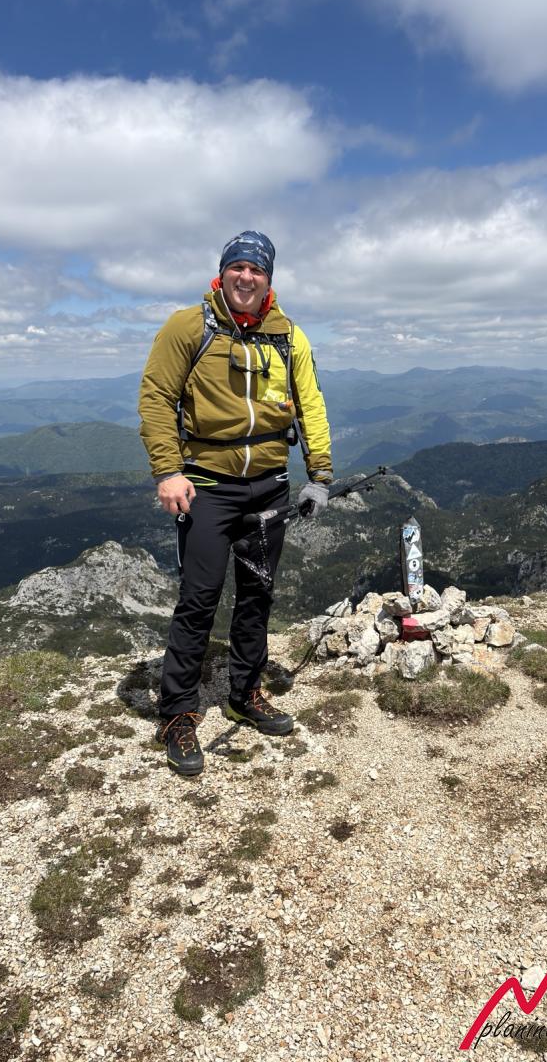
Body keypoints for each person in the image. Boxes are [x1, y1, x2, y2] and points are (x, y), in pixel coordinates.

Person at [138, 231, 332, 776]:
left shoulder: (288, 336)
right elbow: (156, 397)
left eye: (257, 269)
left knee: (257, 594)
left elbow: (311, 403)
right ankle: (177, 713)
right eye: (238, 267)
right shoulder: (188, 327)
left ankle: (245, 694)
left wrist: (319, 474)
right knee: (199, 599)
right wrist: (168, 471)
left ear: (269, 279)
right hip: (208, 486)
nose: (247, 277)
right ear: (222, 273)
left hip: (270, 484)